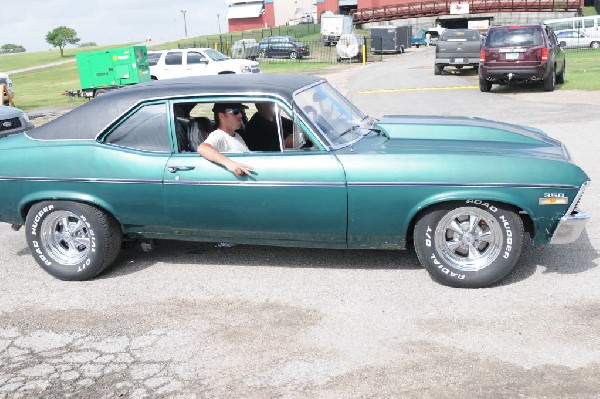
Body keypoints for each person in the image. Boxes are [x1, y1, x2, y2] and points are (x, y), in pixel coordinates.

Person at [197, 103, 253, 177]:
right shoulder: (218, 135)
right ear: (222, 116)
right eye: (235, 112)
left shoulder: (237, 136)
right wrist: (229, 163)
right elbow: (203, 148)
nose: (240, 115)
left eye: (241, 111)